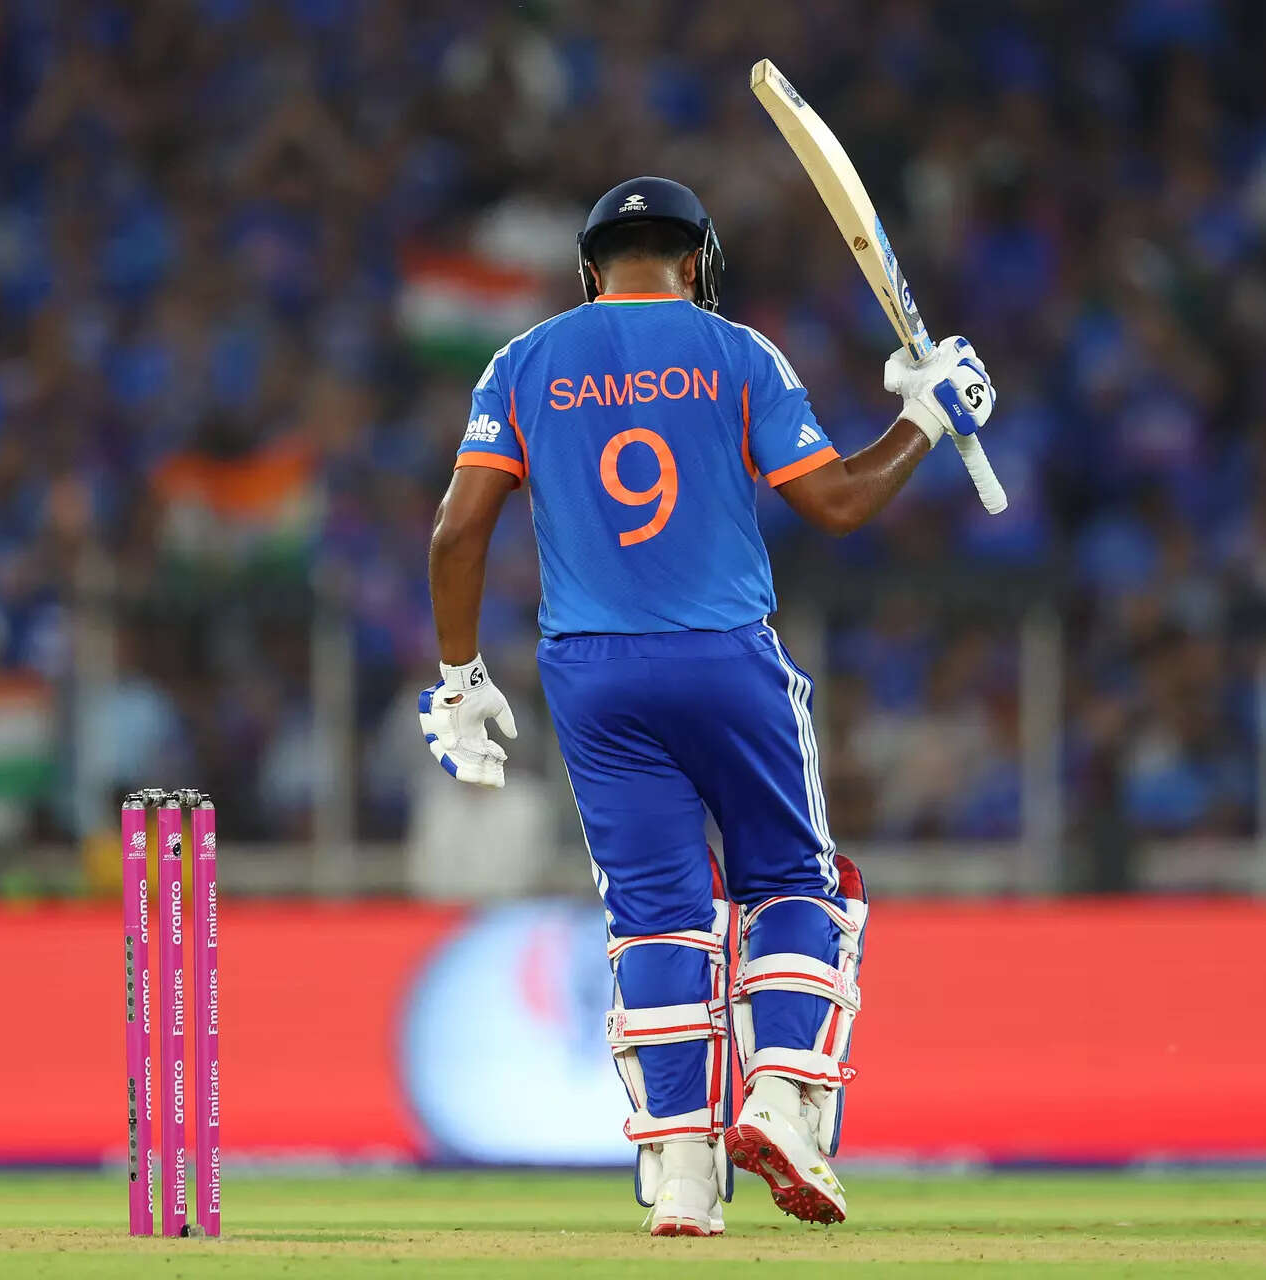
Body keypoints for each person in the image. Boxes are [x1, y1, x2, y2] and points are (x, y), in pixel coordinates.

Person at [420, 177, 996, 1235]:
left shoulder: (522, 361)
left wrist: (458, 679)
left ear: (590, 267)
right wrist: (926, 415)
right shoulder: (740, 354)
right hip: (724, 656)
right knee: (795, 883)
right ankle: (779, 1095)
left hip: (589, 674)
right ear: (696, 262)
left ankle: (682, 1179)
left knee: (656, 918)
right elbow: (836, 504)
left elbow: (456, 535)